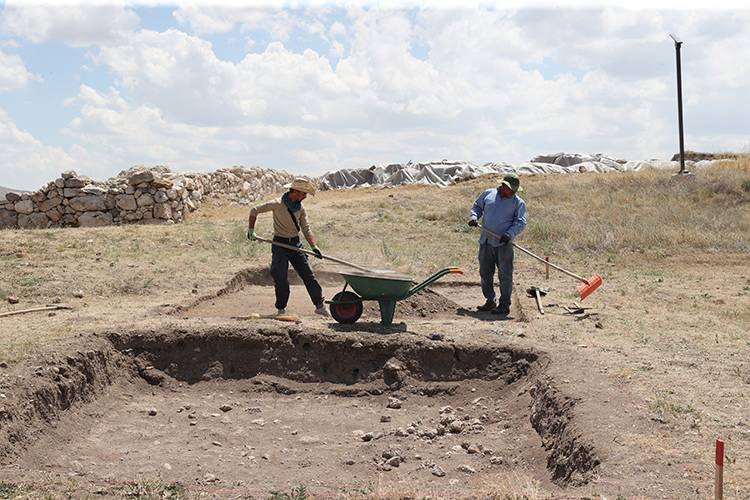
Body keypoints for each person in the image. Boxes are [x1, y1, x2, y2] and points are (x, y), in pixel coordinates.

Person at [247, 178, 328, 317]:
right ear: (295, 191)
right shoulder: (277, 204)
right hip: (280, 245)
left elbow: (306, 229)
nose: (305, 197)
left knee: (309, 275)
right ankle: (281, 309)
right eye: (303, 193)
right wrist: (251, 230)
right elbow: (254, 210)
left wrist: (314, 246)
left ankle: (320, 307)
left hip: (296, 245)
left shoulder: (300, 208)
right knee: (280, 278)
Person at [467, 173, 527, 315]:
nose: (512, 193)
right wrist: (474, 217)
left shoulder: (518, 203)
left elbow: (520, 222)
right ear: (503, 186)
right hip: (486, 241)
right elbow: (477, 207)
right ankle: (490, 301)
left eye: (514, 191)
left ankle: (504, 304)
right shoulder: (488, 194)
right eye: (510, 189)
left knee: (505, 275)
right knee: (485, 273)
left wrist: (509, 234)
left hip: (503, 244)